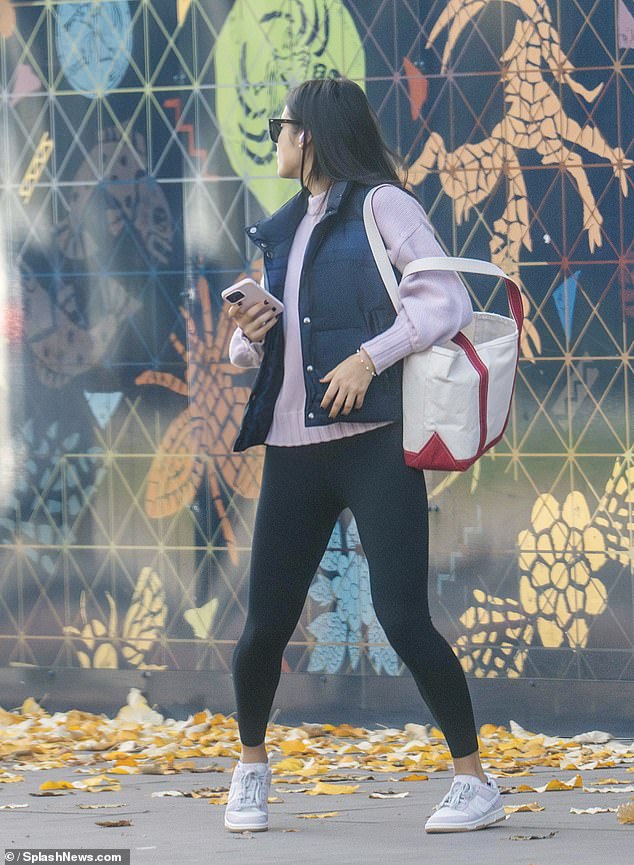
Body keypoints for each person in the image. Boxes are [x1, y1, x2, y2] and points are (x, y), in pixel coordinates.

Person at [223, 77, 505, 835]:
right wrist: (251, 331)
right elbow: (253, 352)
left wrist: (367, 358)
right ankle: (250, 769)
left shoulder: (384, 205)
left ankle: (473, 782)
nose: (275, 137)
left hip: (375, 444)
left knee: (404, 617)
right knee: (265, 627)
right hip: (293, 451)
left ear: (308, 134)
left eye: (281, 124)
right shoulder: (284, 225)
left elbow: (444, 300)